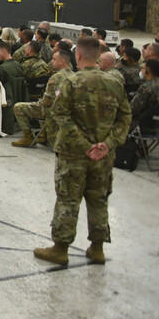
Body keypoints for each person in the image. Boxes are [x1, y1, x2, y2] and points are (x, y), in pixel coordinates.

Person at [33, 36, 130, 266]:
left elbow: (61, 116)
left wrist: (84, 146)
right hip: (104, 156)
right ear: (98, 56)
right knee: (99, 200)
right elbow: (125, 116)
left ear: (77, 56)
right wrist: (108, 143)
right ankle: (97, 249)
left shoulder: (70, 82)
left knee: (68, 199)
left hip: (73, 155)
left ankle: (60, 248)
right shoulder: (115, 83)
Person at [12, 49, 72, 147]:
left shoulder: (56, 77)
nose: (51, 61)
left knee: (18, 107)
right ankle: (43, 134)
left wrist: (42, 101)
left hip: (50, 111)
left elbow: (46, 101)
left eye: (54, 59)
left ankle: (28, 137)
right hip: (65, 110)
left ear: (62, 62)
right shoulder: (73, 75)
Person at [130, 59, 159, 129]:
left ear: (148, 70)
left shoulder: (146, 88)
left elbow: (133, 109)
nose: (141, 71)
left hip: (140, 123)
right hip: (155, 124)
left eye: (142, 68)